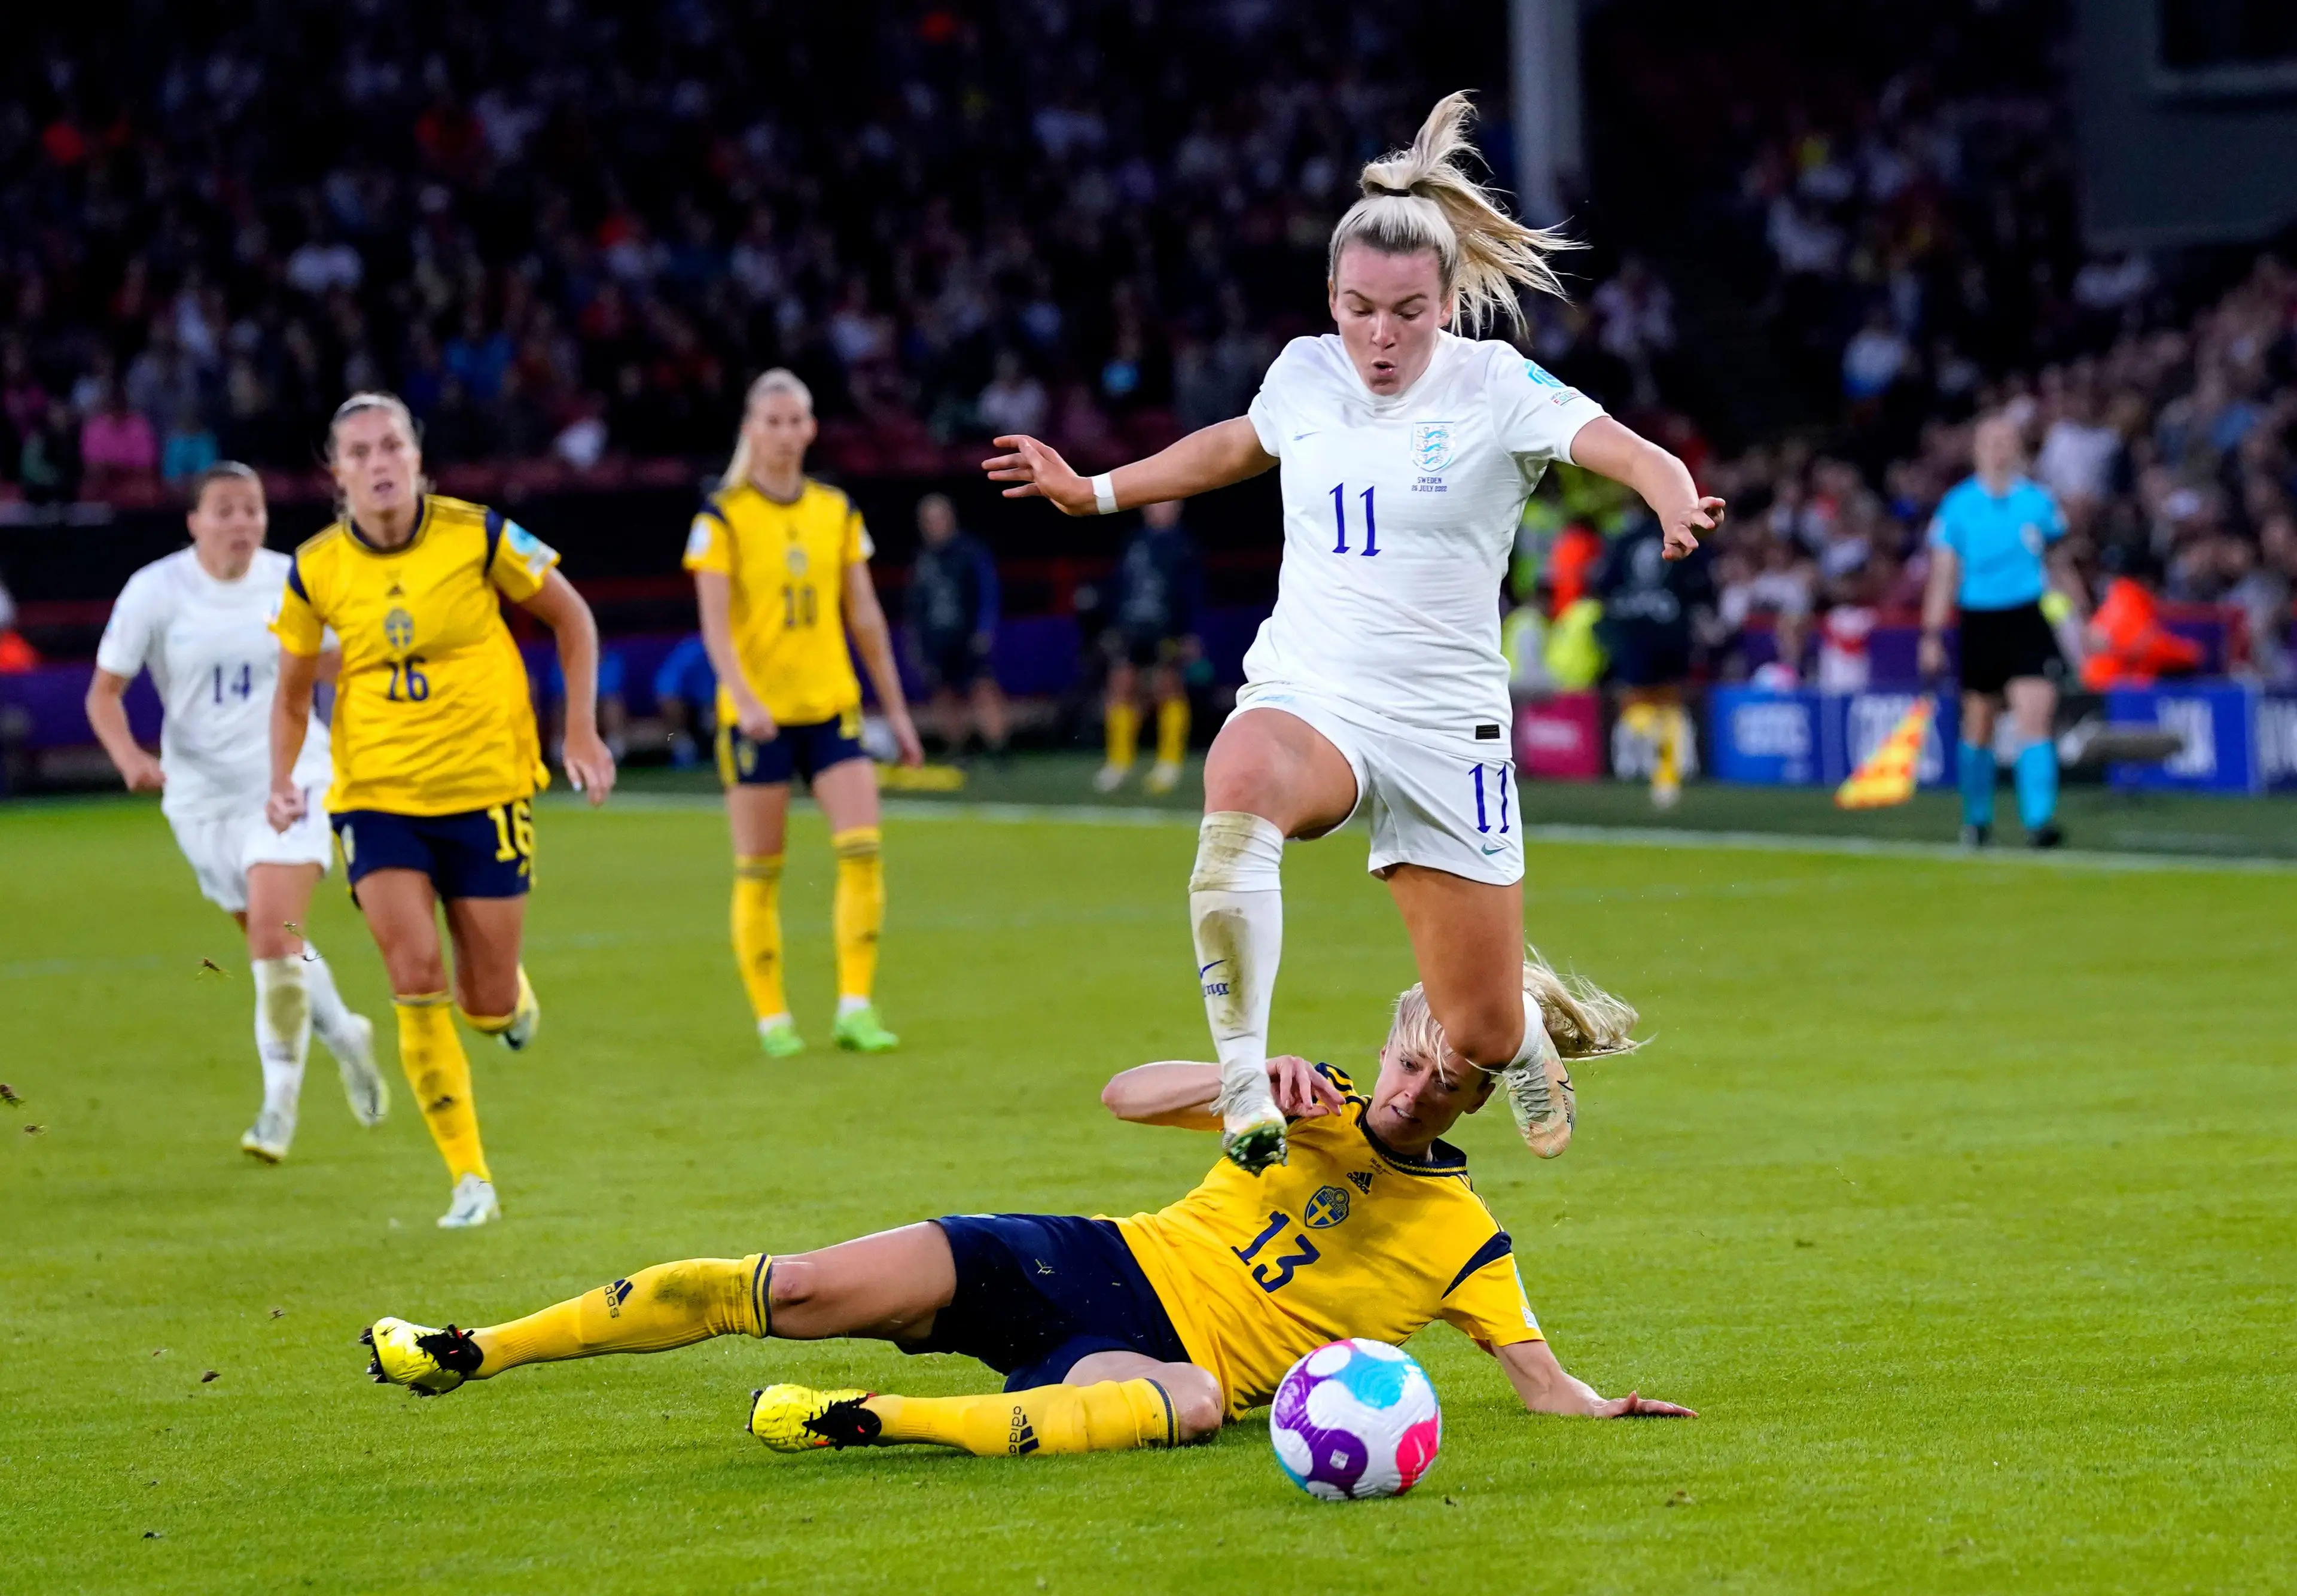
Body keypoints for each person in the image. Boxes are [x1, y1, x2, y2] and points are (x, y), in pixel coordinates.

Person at [985, 93, 1723, 1171]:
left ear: (1448, 303)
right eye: (1360, 308)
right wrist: (1091, 491)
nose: (1381, 335)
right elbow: (1236, 445)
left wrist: (1671, 495)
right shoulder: (1304, 372)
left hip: (1442, 726)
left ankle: (1525, 1041)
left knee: (1473, 1024)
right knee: (1240, 773)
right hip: (1315, 691)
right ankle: (1245, 1082)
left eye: (1409, 311)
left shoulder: (1497, 385)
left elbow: (1622, 446)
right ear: (1331, 297)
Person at [361, 958, 1693, 1457]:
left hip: (1159, 1361)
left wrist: (1602, 1408)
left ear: (1481, 1098)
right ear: (1392, 1040)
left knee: (1188, 1405)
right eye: (1409, 1058)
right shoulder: (1312, 1100)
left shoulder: (1467, 1240)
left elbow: (1542, 1382)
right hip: (1081, 1257)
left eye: (1446, 1080)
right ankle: (472, 1346)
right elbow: (1123, 1093)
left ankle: (863, 1420)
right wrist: (1245, 1080)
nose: (1412, 1088)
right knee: (795, 1283)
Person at [267, 392, 616, 1229]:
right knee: (414, 973)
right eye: (360, 452)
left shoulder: (478, 534)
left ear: (418, 458)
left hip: (486, 787)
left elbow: (572, 618)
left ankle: (508, 1003)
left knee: (484, 1003)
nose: (379, 463)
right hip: (377, 798)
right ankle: (470, 1180)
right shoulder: (315, 569)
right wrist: (282, 780)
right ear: (337, 473)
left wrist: (580, 730)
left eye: (391, 445)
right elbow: (291, 694)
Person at [86, 462, 385, 1162]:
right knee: (273, 940)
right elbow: (104, 692)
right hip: (199, 798)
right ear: (194, 521)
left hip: (292, 780)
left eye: (252, 508)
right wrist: (129, 757)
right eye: (224, 510)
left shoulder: (293, 581)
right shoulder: (156, 590)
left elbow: (348, 667)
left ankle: (278, 1108)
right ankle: (347, 1035)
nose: (242, 522)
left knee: (274, 939)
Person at [685, 370, 924, 1059]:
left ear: (812, 429)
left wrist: (898, 713)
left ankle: (855, 1006)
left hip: (830, 708)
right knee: (760, 868)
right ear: (750, 430)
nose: (786, 434)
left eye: (796, 421)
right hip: (757, 719)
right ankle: (773, 1018)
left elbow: (866, 617)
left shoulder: (836, 510)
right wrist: (746, 699)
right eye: (773, 422)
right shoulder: (722, 518)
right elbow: (716, 628)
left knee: (863, 851)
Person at [1919, 415, 2083, 849]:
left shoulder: (2038, 502)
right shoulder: (1957, 506)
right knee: (1979, 724)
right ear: (1977, 449)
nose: (2000, 450)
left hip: (2027, 616)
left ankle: (2039, 821)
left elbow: (2060, 565)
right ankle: (1977, 820)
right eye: (1992, 442)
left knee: (2036, 717)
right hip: (1980, 619)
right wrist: (1932, 635)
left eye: (2007, 441)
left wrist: (2080, 618)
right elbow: (1943, 575)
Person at [1592, 513, 1716, 809]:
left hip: (1633, 634)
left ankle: (1630, 765)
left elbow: (1604, 586)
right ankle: (1669, 774)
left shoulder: (1625, 541)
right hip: (1672, 634)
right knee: (1671, 704)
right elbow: (1703, 589)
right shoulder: (1685, 537)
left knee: (1634, 702)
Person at [1095, 499, 1204, 794]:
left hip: (1166, 628)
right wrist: (1112, 625)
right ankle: (1119, 763)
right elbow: (1119, 586)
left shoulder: (1184, 544)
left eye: (1167, 504)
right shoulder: (1134, 542)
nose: (1161, 509)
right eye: (1156, 504)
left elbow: (1193, 592)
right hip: (1131, 626)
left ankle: (1169, 763)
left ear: (1178, 507)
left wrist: (1190, 633)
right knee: (1121, 686)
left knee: (1167, 688)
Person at [906, 492, 1008, 761]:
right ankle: (958, 749)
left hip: (967, 636)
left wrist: (984, 630)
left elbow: (988, 592)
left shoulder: (970, 552)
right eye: (928, 521)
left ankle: (998, 748)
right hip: (937, 638)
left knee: (983, 688)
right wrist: (916, 641)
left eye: (938, 519)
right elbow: (914, 605)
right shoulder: (923, 560)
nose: (933, 526)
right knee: (943, 693)